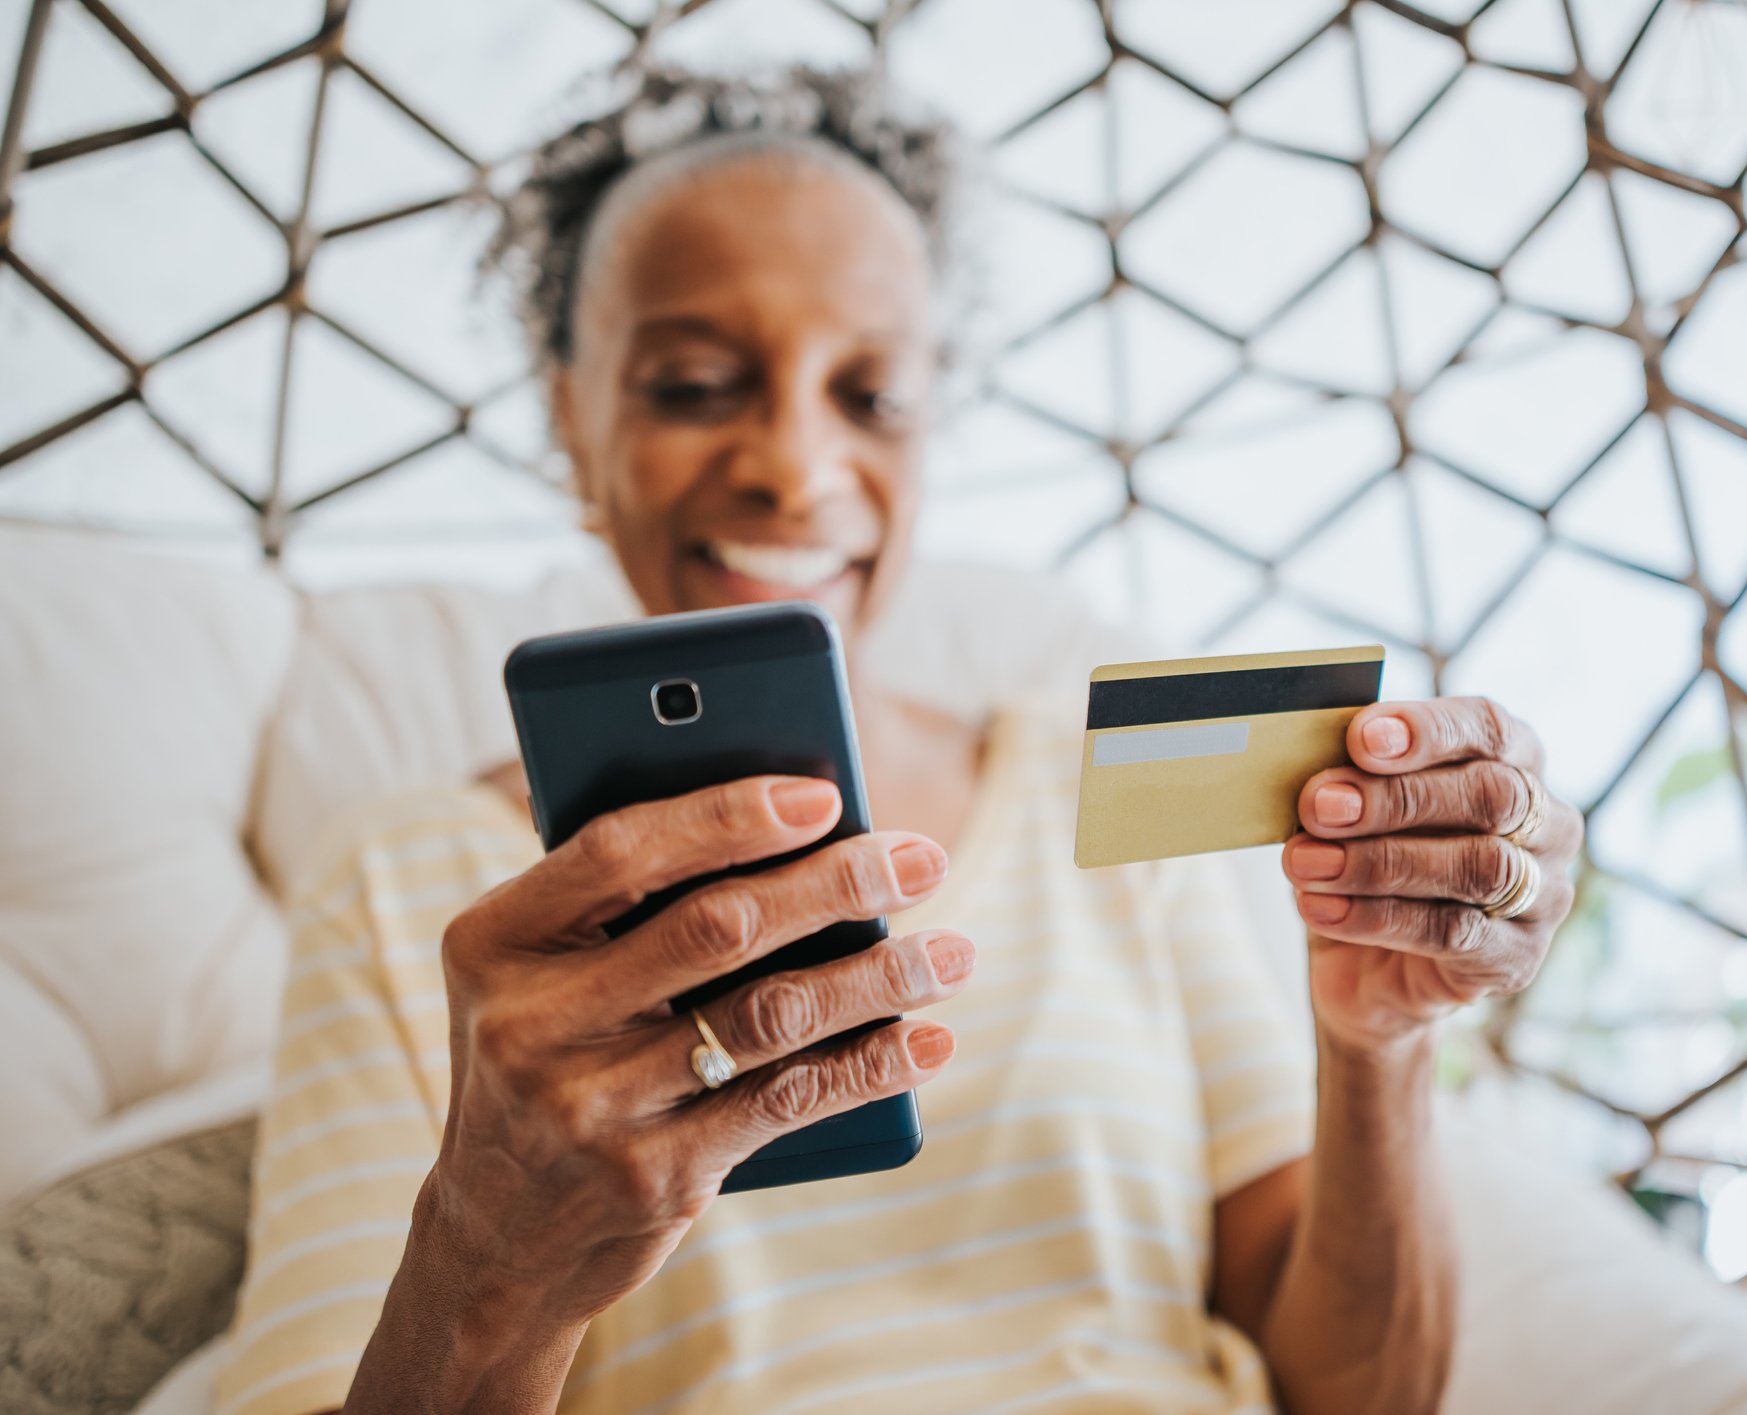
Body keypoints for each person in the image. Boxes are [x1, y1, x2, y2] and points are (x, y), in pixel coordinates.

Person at [215, 65, 1581, 1415]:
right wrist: (490, 1258)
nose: (796, 470)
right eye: (694, 384)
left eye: (871, 397)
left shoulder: (1084, 795)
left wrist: (1379, 1046)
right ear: (572, 414)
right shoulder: (406, 890)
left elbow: (1362, 1392)